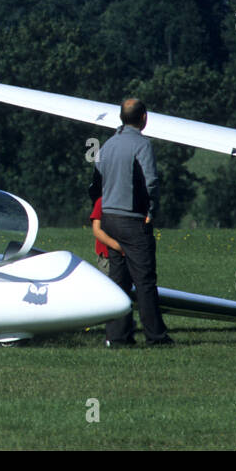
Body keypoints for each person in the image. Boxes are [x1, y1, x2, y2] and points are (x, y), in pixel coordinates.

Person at [89, 98, 172, 347]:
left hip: (109, 217)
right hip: (132, 219)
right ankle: (156, 337)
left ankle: (117, 336)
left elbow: (95, 183)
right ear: (144, 118)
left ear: (121, 118)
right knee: (144, 280)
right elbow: (151, 182)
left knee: (119, 279)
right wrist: (151, 210)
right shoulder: (142, 145)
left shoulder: (108, 144)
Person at [88, 196, 120, 275]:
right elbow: (97, 230)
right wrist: (119, 247)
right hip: (108, 257)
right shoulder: (102, 201)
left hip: (131, 256)